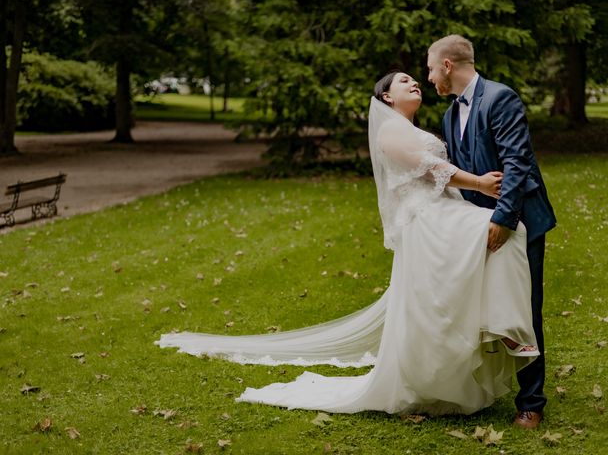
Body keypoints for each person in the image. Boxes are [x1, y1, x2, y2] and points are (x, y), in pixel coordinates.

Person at [156, 71, 541, 416]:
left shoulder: (420, 125)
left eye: (416, 79)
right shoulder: (390, 129)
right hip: (426, 220)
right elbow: (429, 168)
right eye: (404, 81)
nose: (414, 83)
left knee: (481, 261)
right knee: (504, 234)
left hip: (441, 213)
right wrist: (478, 183)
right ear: (387, 98)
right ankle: (503, 328)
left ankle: (495, 327)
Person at [426, 34, 557, 429]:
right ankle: (480, 389)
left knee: (525, 308)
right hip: (474, 229)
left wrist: (502, 218)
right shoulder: (450, 115)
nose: (430, 77)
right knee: (483, 309)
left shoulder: (500, 98)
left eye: (432, 68)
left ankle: (531, 403)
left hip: (519, 222)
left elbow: (518, 162)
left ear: (448, 65)